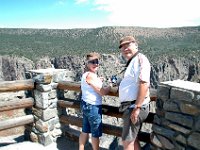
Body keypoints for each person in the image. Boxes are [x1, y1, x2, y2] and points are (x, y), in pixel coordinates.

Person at [118, 36, 151, 150]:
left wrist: (137, 107)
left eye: (128, 45)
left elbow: (144, 84)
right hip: (131, 106)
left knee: (127, 142)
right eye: (122, 47)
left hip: (134, 107)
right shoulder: (132, 61)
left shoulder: (140, 59)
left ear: (136, 45)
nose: (125, 49)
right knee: (133, 139)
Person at [79, 52, 111, 150]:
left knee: (85, 130)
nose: (95, 64)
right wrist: (110, 86)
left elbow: (90, 84)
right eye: (92, 62)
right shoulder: (91, 76)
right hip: (93, 107)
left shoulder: (85, 74)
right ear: (87, 63)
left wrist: (98, 80)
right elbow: (102, 92)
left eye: (97, 61)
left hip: (85, 105)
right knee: (95, 133)